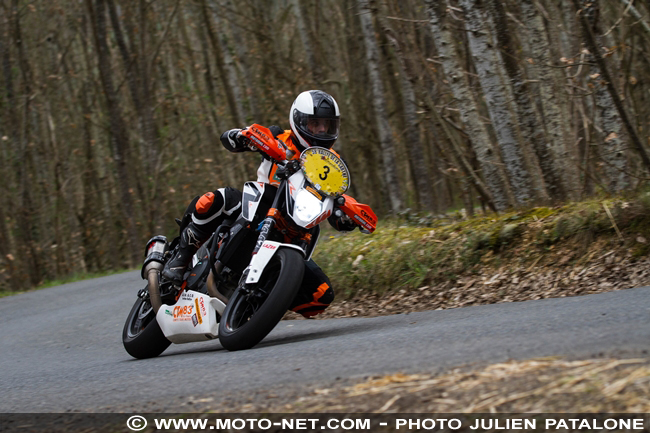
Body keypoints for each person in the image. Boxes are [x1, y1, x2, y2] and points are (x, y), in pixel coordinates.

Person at [162, 90, 356, 318]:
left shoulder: (333, 163)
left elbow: (332, 205)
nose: (322, 130)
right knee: (214, 200)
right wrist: (242, 137)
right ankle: (180, 258)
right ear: (300, 120)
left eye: (328, 125)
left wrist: (344, 219)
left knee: (321, 296)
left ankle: (262, 300)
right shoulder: (278, 136)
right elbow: (230, 140)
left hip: (297, 227)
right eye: (315, 124)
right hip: (258, 204)